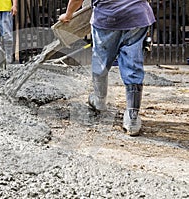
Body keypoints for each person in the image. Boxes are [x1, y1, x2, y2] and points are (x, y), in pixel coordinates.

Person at [59, 0, 155, 136]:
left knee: (101, 62)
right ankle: (132, 118)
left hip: (108, 17)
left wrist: (68, 15)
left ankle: (99, 100)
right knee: (132, 63)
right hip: (137, 16)